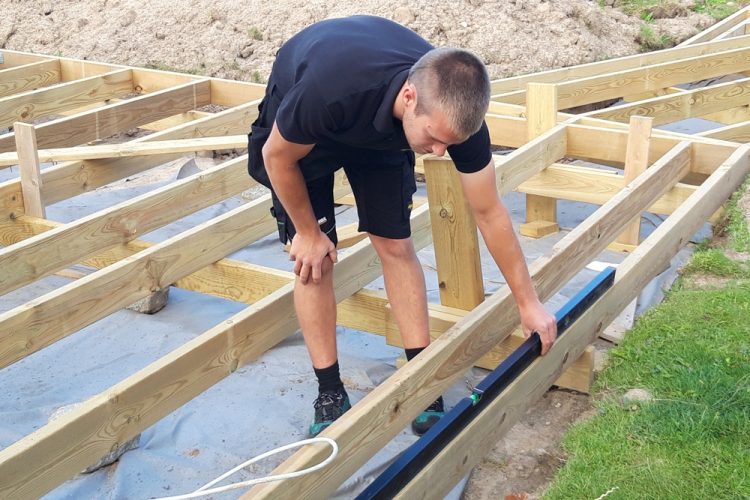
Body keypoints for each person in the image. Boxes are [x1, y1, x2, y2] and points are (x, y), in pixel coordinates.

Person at [247, 15, 557, 437]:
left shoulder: (453, 117)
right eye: (434, 138)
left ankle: (421, 379)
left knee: (395, 245)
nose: (441, 152)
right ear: (409, 96)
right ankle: (330, 391)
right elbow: (277, 157)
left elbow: (490, 211)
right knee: (314, 260)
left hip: (381, 134)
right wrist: (308, 232)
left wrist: (528, 303)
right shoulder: (329, 90)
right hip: (311, 134)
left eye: (450, 143)